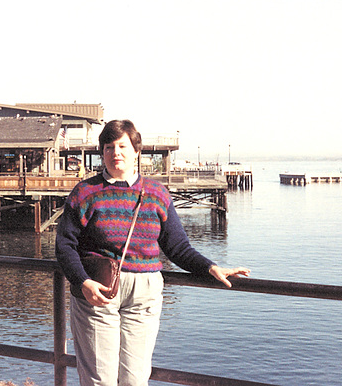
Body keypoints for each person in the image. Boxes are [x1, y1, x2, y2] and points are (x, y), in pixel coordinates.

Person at [55, 119, 250, 386]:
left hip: (144, 294)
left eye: (122, 146)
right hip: (98, 291)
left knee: (135, 380)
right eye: (109, 147)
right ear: (102, 152)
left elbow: (178, 247)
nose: (116, 153)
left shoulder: (157, 193)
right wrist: (82, 281)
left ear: (137, 151)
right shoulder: (85, 192)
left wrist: (210, 267)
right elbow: (65, 245)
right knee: (99, 379)